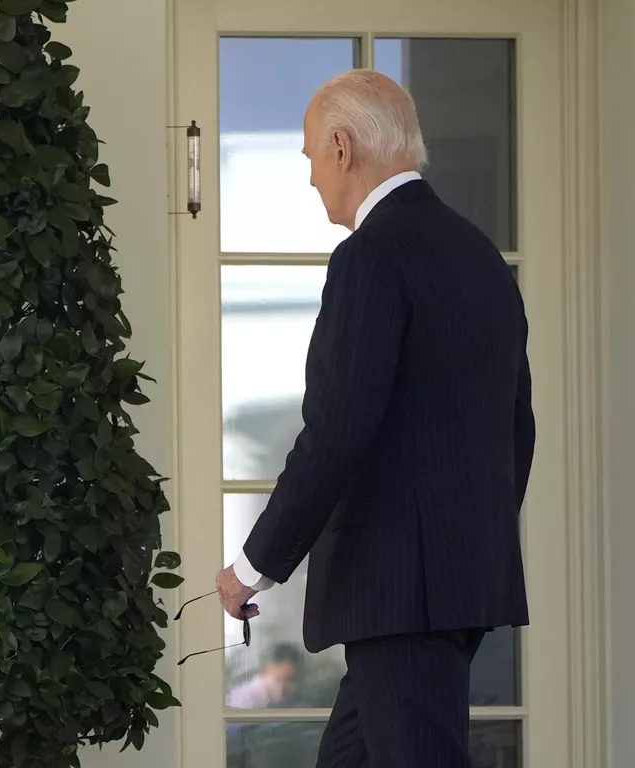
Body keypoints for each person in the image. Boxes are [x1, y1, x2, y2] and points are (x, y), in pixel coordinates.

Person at [214, 69, 534, 768]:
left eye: (307, 158)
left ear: (340, 146)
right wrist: (463, 546)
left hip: (399, 595)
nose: (309, 179)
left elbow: (338, 428)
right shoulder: (480, 258)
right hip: (449, 586)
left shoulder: (370, 256)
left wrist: (254, 564)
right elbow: (517, 428)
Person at [227, 643, 306, 709]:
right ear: (272, 666)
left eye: (289, 681)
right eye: (282, 679)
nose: (285, 687)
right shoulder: (245, 696)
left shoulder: (285, 701)